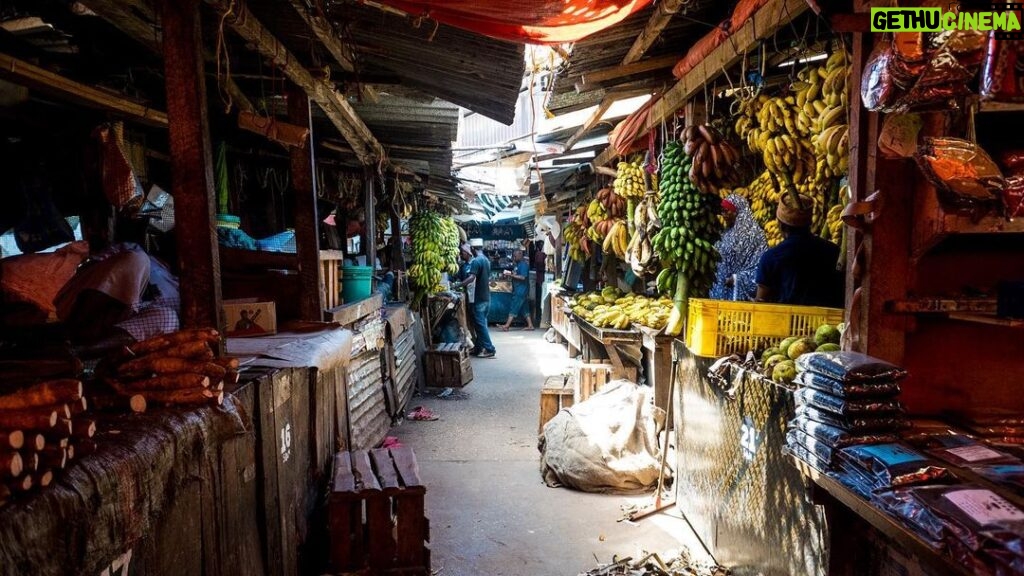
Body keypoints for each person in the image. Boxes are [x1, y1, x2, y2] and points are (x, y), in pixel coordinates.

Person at [755, 193, 844, 307]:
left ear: (780, 225)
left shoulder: (771, 257)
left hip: (787, 321)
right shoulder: (834, 251)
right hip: (828, 322)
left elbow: (761, 301)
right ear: (810, 223)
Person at [711, 196, 768, 301]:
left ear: (739, 211)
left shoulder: (755, 235)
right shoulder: (726, 233)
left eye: (726, 211)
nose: (723, 215)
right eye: (722, 211)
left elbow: (760, 267)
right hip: (720, 292)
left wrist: (737, 279)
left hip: (737, 294)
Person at [455, 246, 496, 358]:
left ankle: (489, 349)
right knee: (480, 325)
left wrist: (458, 285)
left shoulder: (476, 262)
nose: (462, 254)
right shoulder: (486, 260)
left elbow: (471, 278)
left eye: (463, 252)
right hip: (486, 297)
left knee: (480, 325)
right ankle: (478, 348)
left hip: (479, 298)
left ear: (470, 250)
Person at [501, 249, 534, 331]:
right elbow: (517, 274)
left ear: (520, 255)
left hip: (521, 290)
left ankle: (507, 325)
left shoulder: (523, 265)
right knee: (524, 307)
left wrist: (511, 275)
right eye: (513, 256)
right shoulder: (518, 265)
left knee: (514, 307)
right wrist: (511, 274)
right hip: (519, 289)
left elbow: (522, 277)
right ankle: (530, 325)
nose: (514, 258)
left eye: (515, 256)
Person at [531, 240, 546, 326]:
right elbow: (539, 265)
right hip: (540, 279)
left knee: (540, 299)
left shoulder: (539, 254)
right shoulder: (539, 254)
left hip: (540, 279)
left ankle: (539, 319)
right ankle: (539, 319)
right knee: (540, 299)